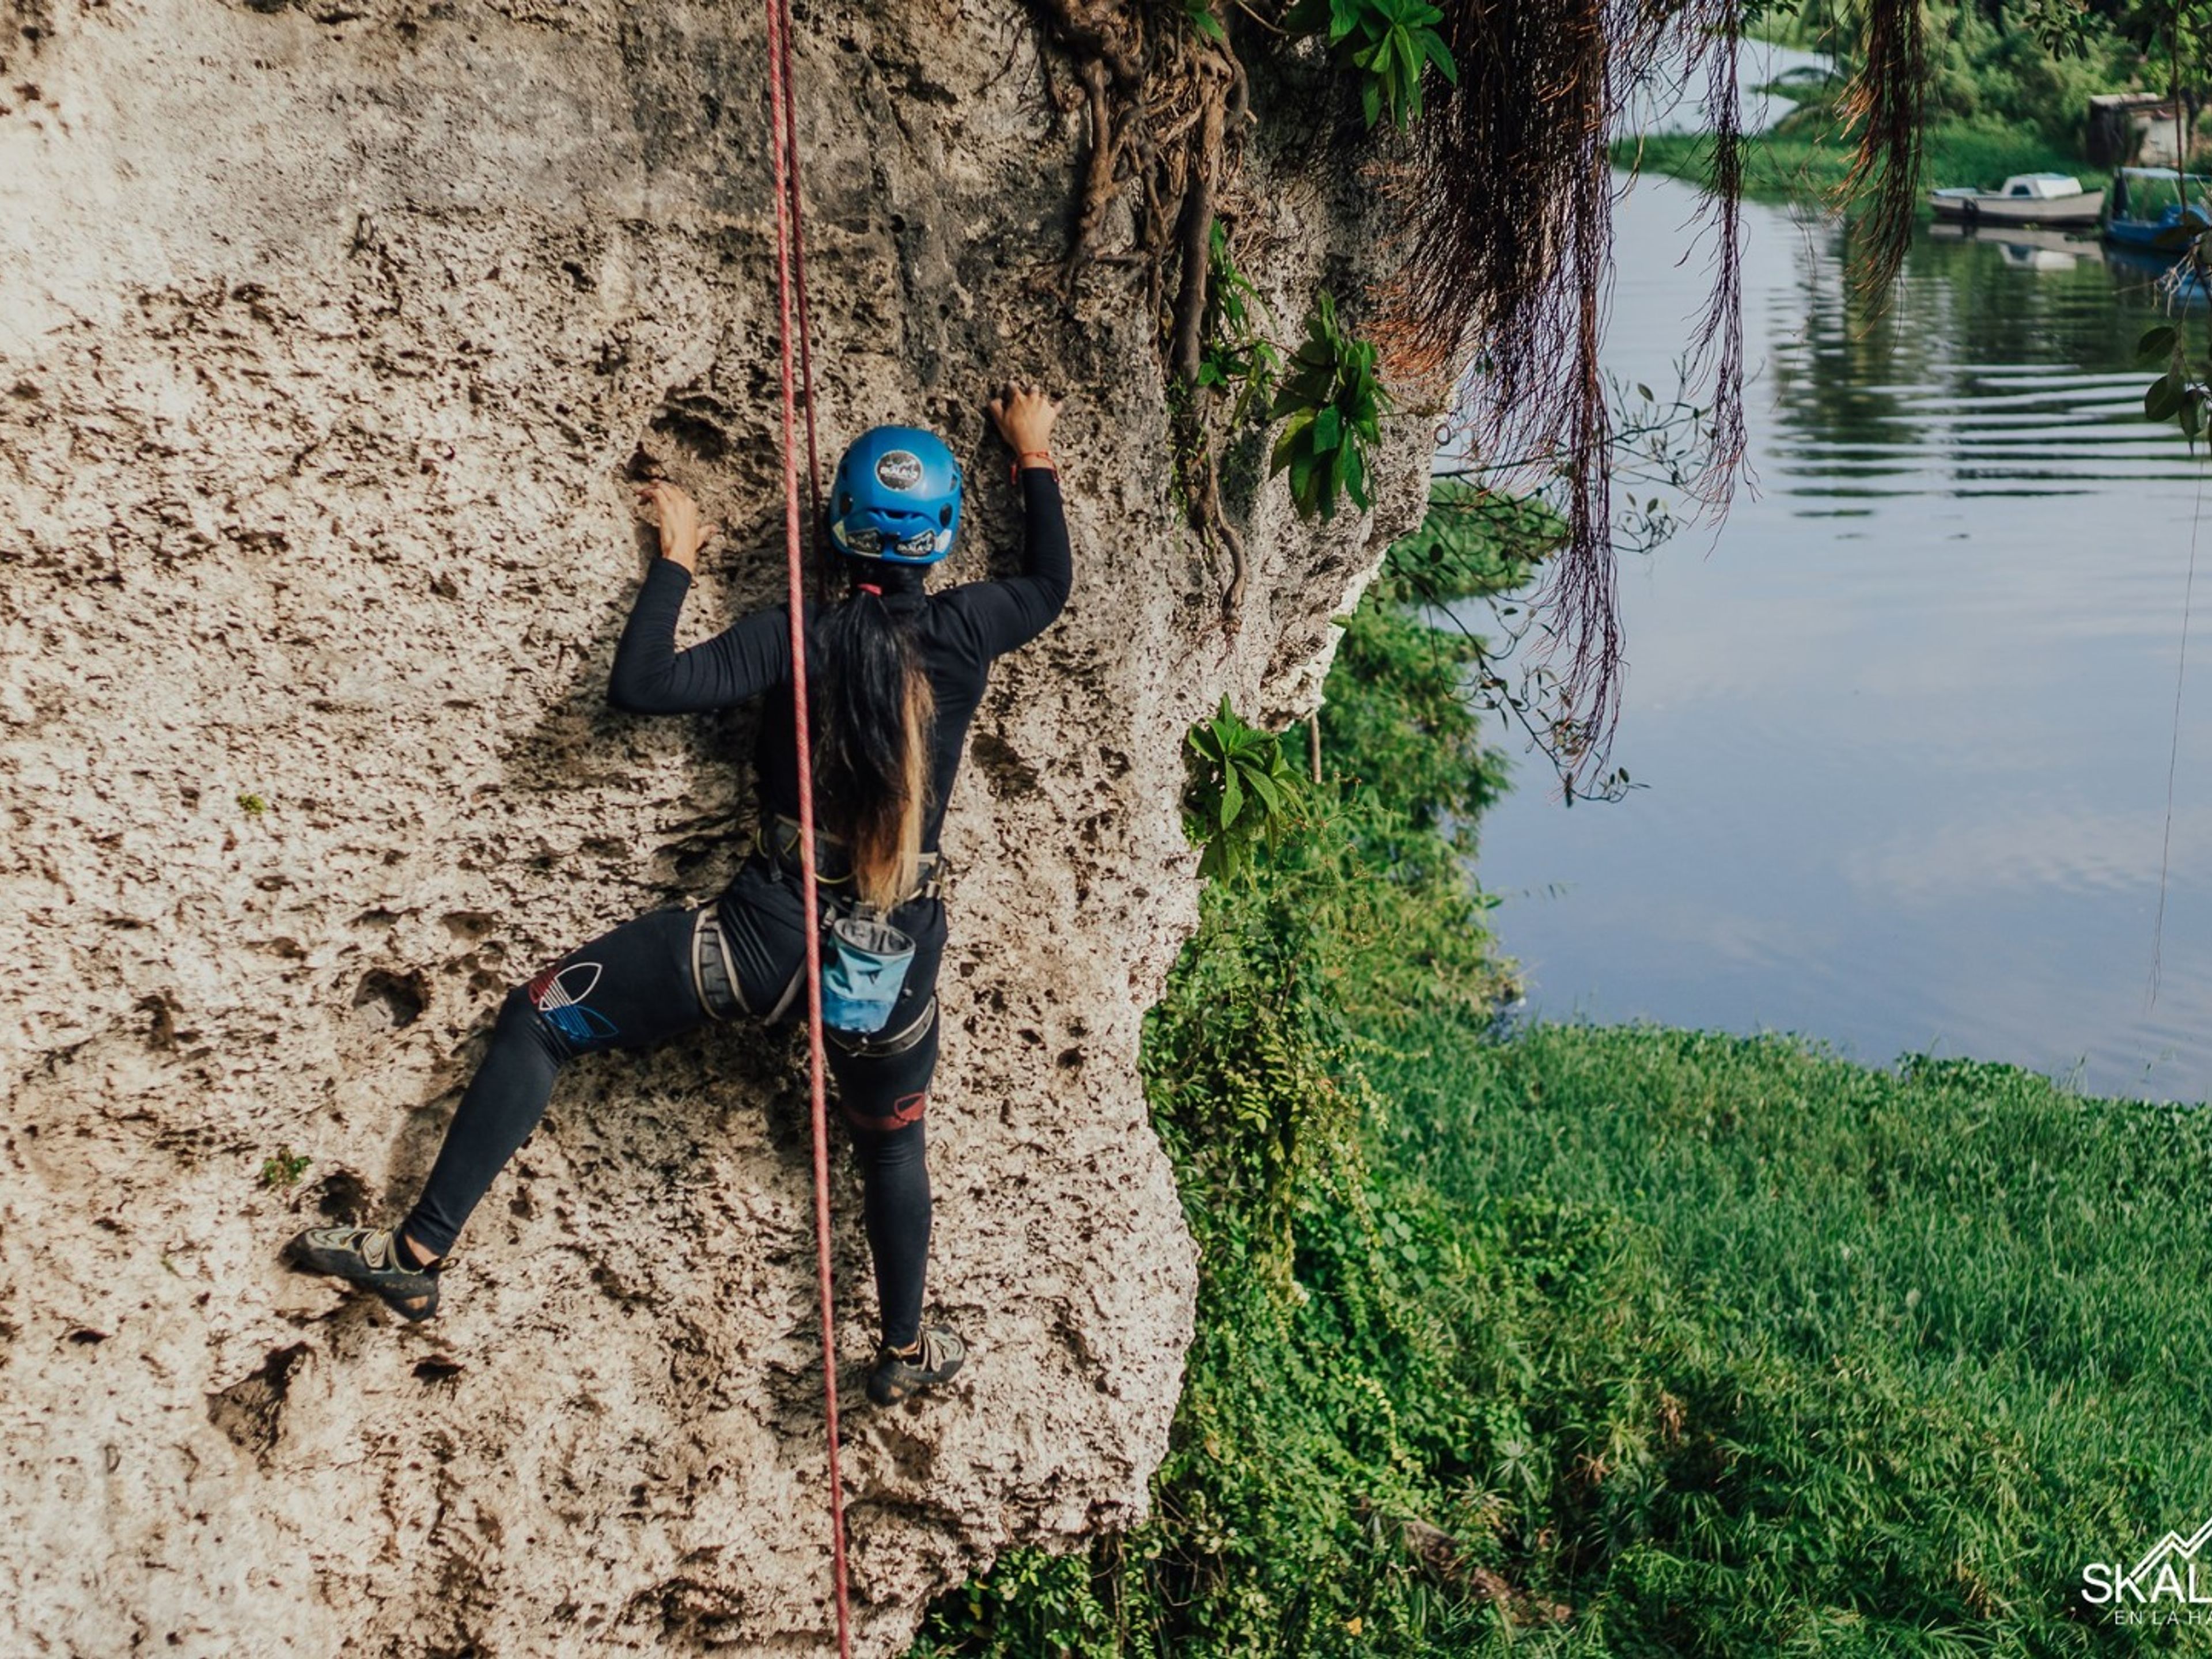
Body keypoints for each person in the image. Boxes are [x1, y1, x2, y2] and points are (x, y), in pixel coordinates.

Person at [286, 383, 1069, 1406]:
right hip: (892, 966)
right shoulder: (973, 628)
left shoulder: (796, 634)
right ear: (945, 537)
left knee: (542, 1022)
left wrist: (677, 559)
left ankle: (420, 1254)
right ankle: (903, 1350)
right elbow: (1050, 581)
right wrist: (1033, 451)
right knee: (892, 1145)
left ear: (836, 527)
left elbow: (644, 685)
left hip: (758, 941)